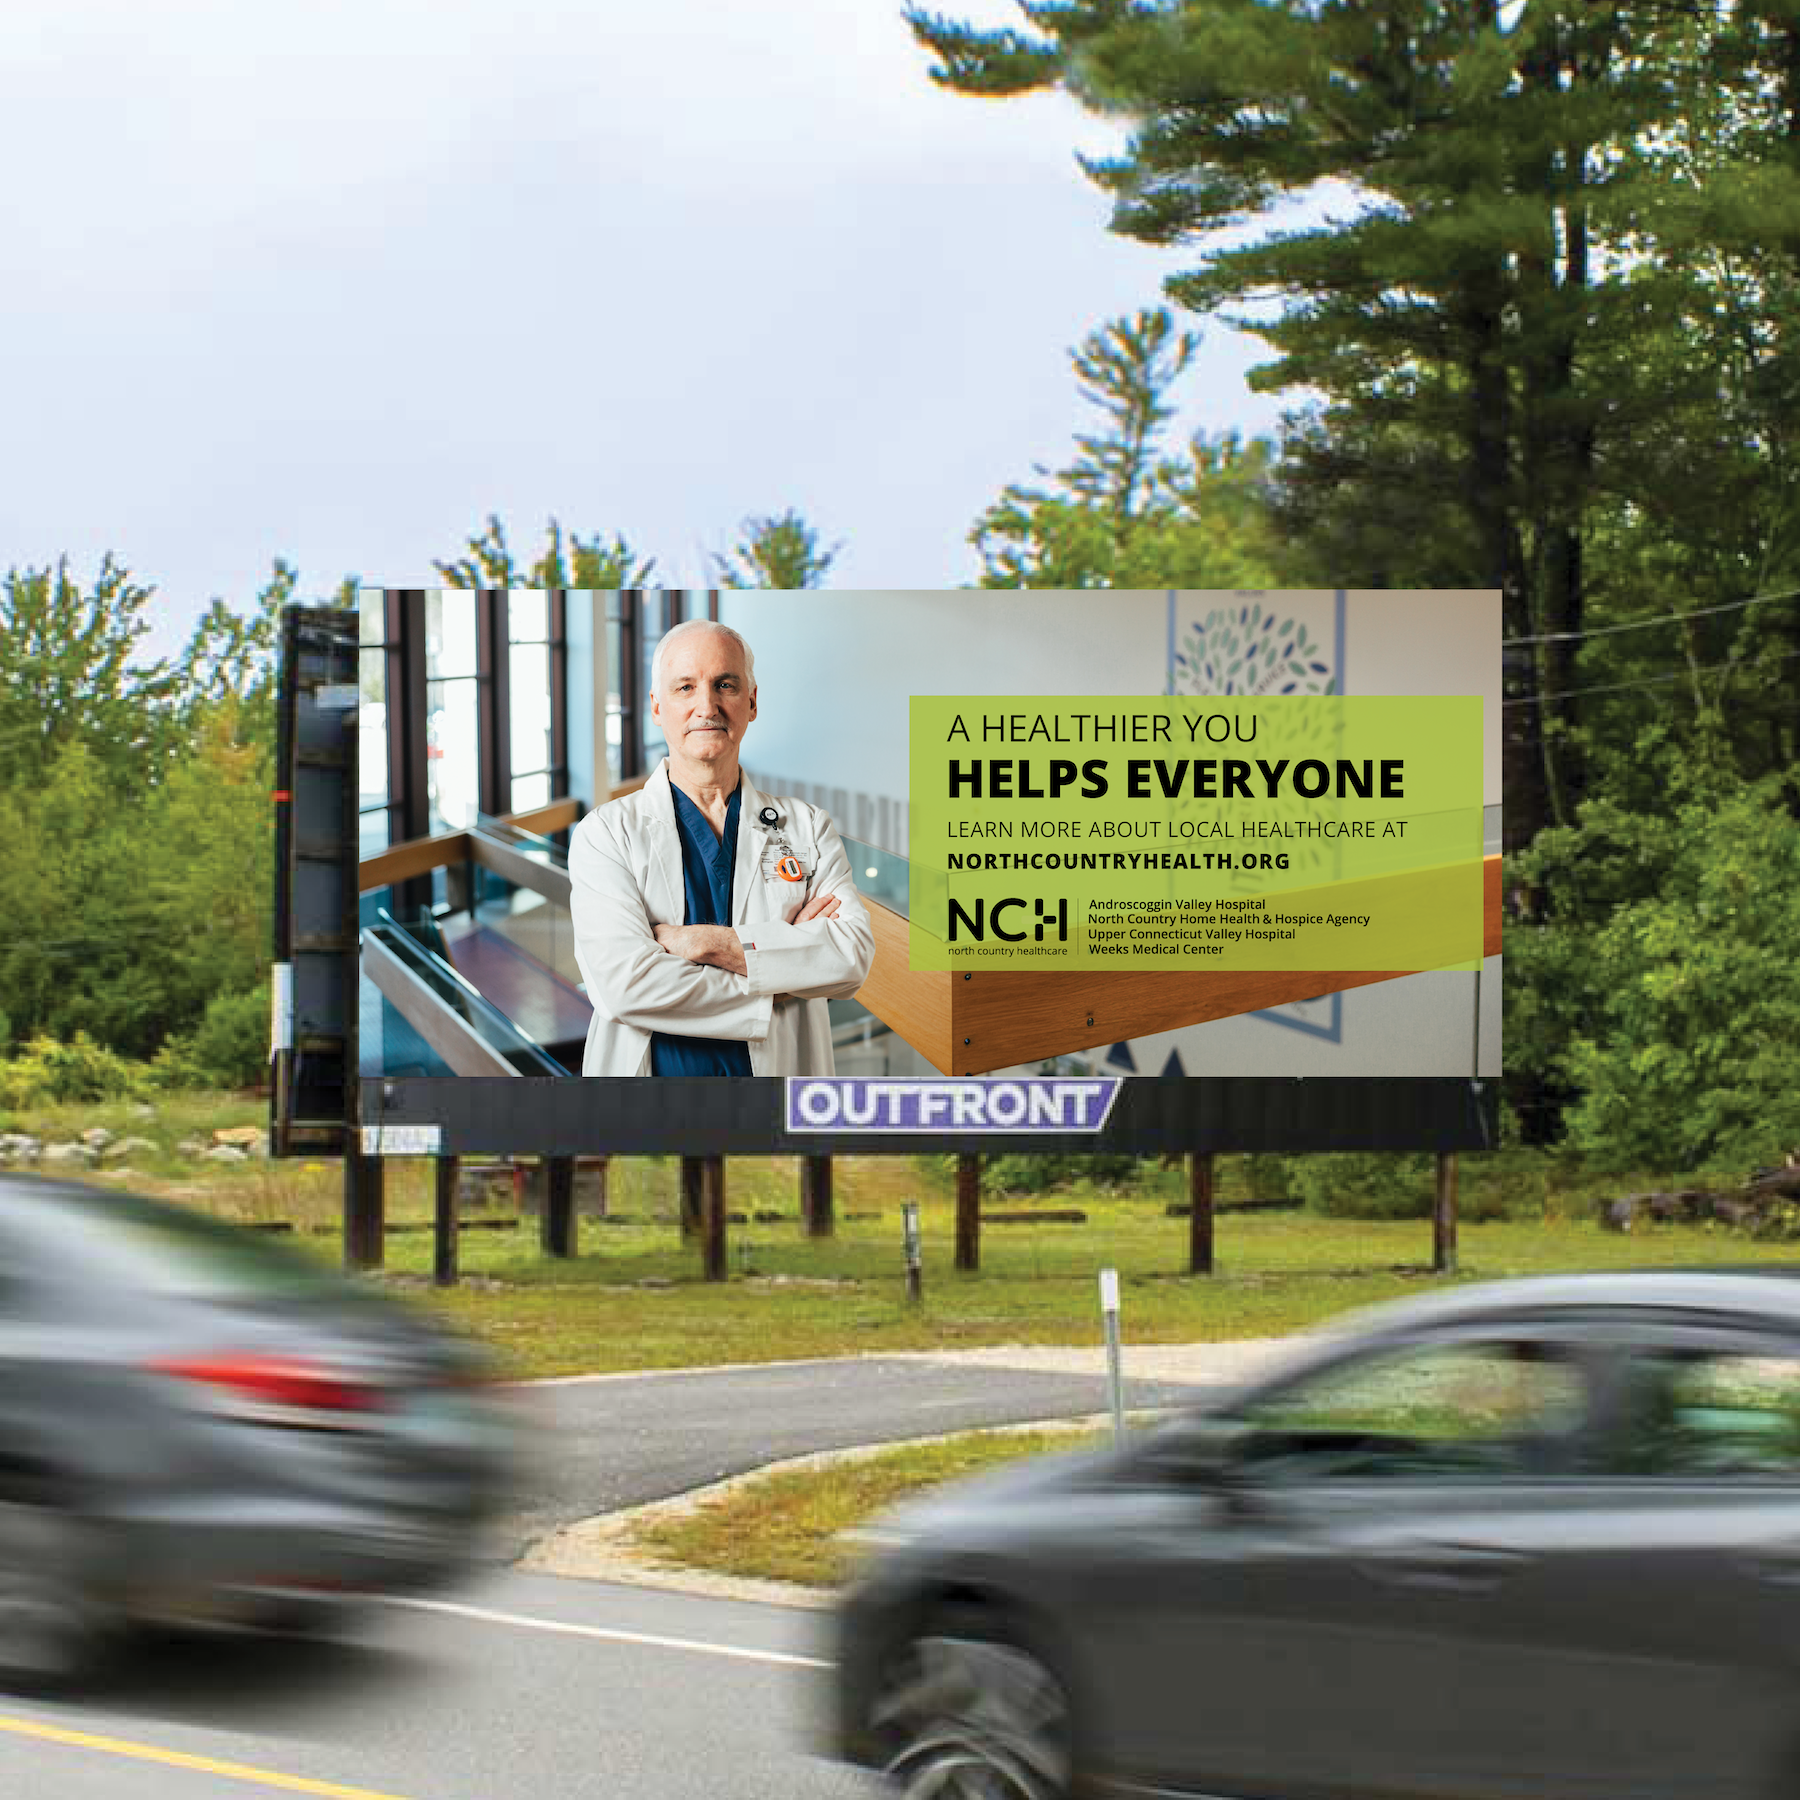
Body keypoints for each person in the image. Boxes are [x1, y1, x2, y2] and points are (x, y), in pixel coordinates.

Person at [567, 618, 875, 1076]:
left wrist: (702, 943)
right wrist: (782, 978)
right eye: (685, 688)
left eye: (725, 685)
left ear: (751, 702)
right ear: (656, 706)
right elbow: (625, 986)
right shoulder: (605, 834)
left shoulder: (807, 826)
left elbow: (850, 957)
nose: (706, 705)